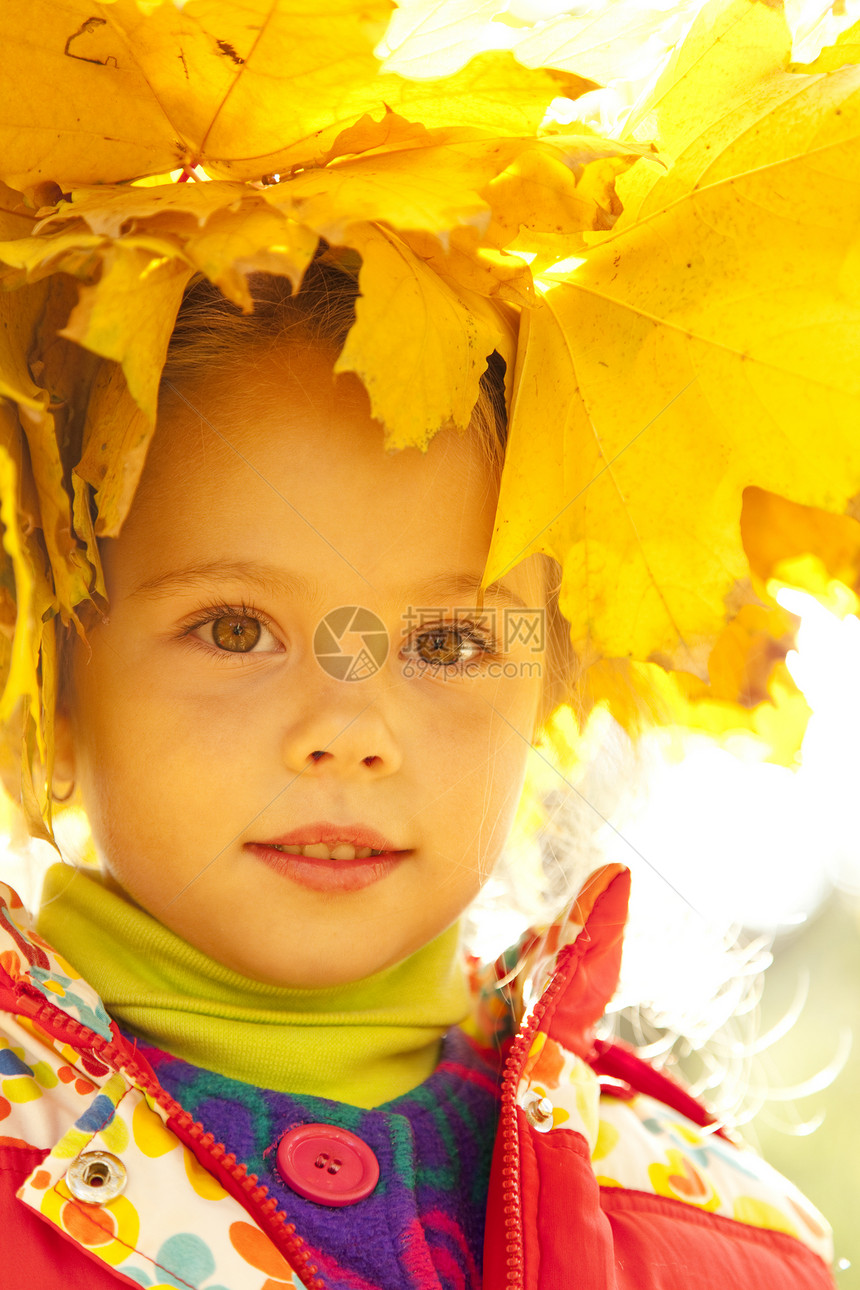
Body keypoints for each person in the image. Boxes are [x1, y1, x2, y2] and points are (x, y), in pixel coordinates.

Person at [0, 264, 836, 1289]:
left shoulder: (708, 1235)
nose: (349, 733)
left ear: (548, 695)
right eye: (234, 630)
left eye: (444, 644)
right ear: (48, 680)